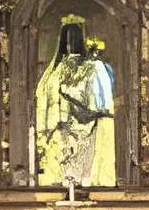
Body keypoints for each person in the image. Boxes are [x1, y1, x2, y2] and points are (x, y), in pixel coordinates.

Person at [34, 18, 117, 192]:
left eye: (75, 38)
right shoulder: (54, 72)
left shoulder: (92, 69)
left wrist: (82, 116)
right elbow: (44, 98)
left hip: (84, 130)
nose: (71, 43)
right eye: (67, 37)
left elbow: (97, 104)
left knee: (83, 172)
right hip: (60, 132)